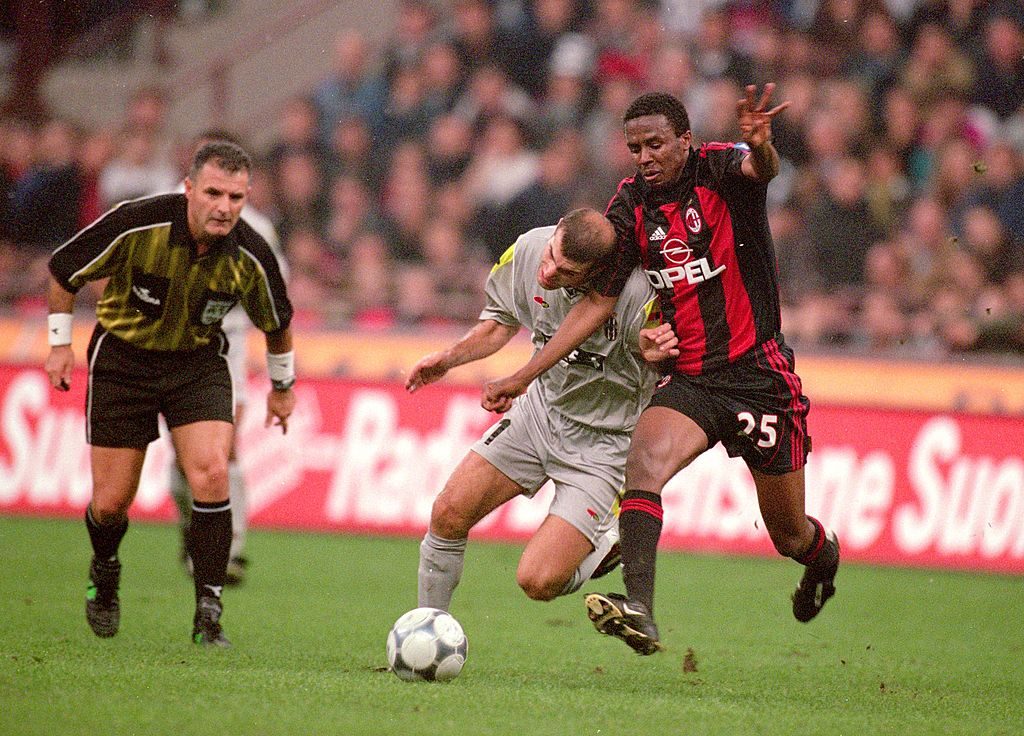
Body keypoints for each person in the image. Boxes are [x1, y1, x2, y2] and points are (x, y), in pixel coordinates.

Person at [482, 86, 840, 655]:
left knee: (789, 534)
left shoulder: (720, 169)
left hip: (758, 377)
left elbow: (760, 169)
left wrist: (762, 146)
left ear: (685, 140)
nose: (644, 156)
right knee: (642, 465)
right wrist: (525, 374)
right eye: (634, 147)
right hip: (693, 378)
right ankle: (640, 609)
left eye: (654, 144)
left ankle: (822, 563)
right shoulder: (630, 205)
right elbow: (598, 301)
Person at [44, 141, 296, 648]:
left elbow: (278, 322)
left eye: (236, 197)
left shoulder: (252, 252)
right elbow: (63, 269)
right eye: (214, 193)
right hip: (123, 361)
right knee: (113, 502)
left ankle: (209, 611)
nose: (224, 207)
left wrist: (282, 386)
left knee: (211, 470)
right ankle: (106, 567)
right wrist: (58, 345)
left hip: (196, 361)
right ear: (188, 190)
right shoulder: (138, 222)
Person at [407, 208, 679, 613]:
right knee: (447, 513)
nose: (548, 272)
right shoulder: (529, 247)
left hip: (604, 445)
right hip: (538, 413)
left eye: (566, 271)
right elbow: (500, 322)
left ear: (599, 273)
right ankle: (427, 626)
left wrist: (657, 358)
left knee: (537, 581)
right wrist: (448, 359)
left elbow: (667, 368)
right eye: (552, 254)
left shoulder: (639, 294)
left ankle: (606, 541)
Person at [168, 130, 289, 587]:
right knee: (183, 462)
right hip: (166, 344)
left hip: (227, 341)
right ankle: (193, 528)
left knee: (225, 446)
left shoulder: (257, 229)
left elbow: (276, 297)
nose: (222, 199)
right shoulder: (162, 214)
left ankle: (229, 549)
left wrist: (279, 372)